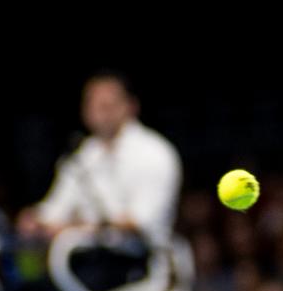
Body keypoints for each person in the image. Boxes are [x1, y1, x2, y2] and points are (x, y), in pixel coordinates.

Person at [18, 73, 182, 245]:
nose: (100, 113)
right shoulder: (84, 154)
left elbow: (138, 223)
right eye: (93, 105)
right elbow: (55, 210)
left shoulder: (155, 152)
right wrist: (35, 219)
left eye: (107, 105)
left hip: (142, 261)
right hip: (85, 259)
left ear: (131, 106)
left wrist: (75, 228)